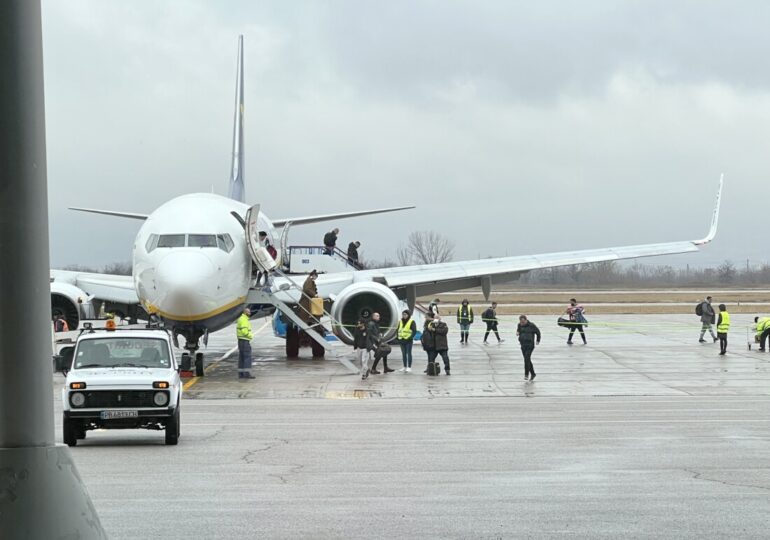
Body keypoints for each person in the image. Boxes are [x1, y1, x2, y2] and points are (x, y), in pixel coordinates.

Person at [516, 315, 541, 382]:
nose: (522, 323)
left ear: (526, 320)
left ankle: (526, 374)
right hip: (523, 345)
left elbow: (538, 332)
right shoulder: (519, 325)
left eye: (523, 322)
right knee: (527, 360)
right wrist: (517, 332)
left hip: (530, 345)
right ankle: (533, 374)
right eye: (521, 322)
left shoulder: (531, 325)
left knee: (526, 358)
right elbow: (518, 330)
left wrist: (538, 340)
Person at [236, 308, 255, 379]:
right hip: (244, 341)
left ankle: (241, 374)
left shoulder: (241, 319)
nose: (250, 314)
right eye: (249, 312)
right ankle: (247, 374)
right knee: (247, 357)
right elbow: (244, 331)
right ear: (245, 313)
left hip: (241, 340)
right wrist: (250, 336)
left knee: (242, 358)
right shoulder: (244, 320)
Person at [363, 312, 382, 380]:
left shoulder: (375, 323)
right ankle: (370, 370)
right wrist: (376, 338)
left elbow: (377, 331)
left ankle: (375, 369)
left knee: (381, 352)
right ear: (373, 317)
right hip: (372, 342)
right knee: (380, 352)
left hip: (375, 342)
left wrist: (380, 334)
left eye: (379, 316)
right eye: (377, 316)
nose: (378, 317)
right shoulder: (371, 324)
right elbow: (369, 333)